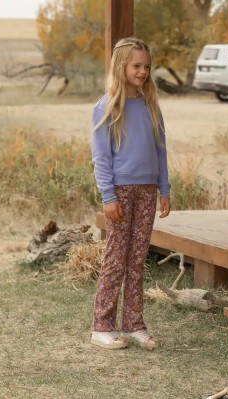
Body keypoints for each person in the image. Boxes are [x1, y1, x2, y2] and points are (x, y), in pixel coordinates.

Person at [90, 37, 171, 350]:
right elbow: (101, 157)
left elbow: (161, 151)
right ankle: (102, 326)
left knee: (137, 260)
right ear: (121, 65)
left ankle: (134, 325)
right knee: (116, 259)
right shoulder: (106, 106)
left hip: (148, 191)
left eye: (147, 67)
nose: (143, 72)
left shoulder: (151, 106)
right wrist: (108, 196)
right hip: (120, 192)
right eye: (136, 66)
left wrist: (164, 189)